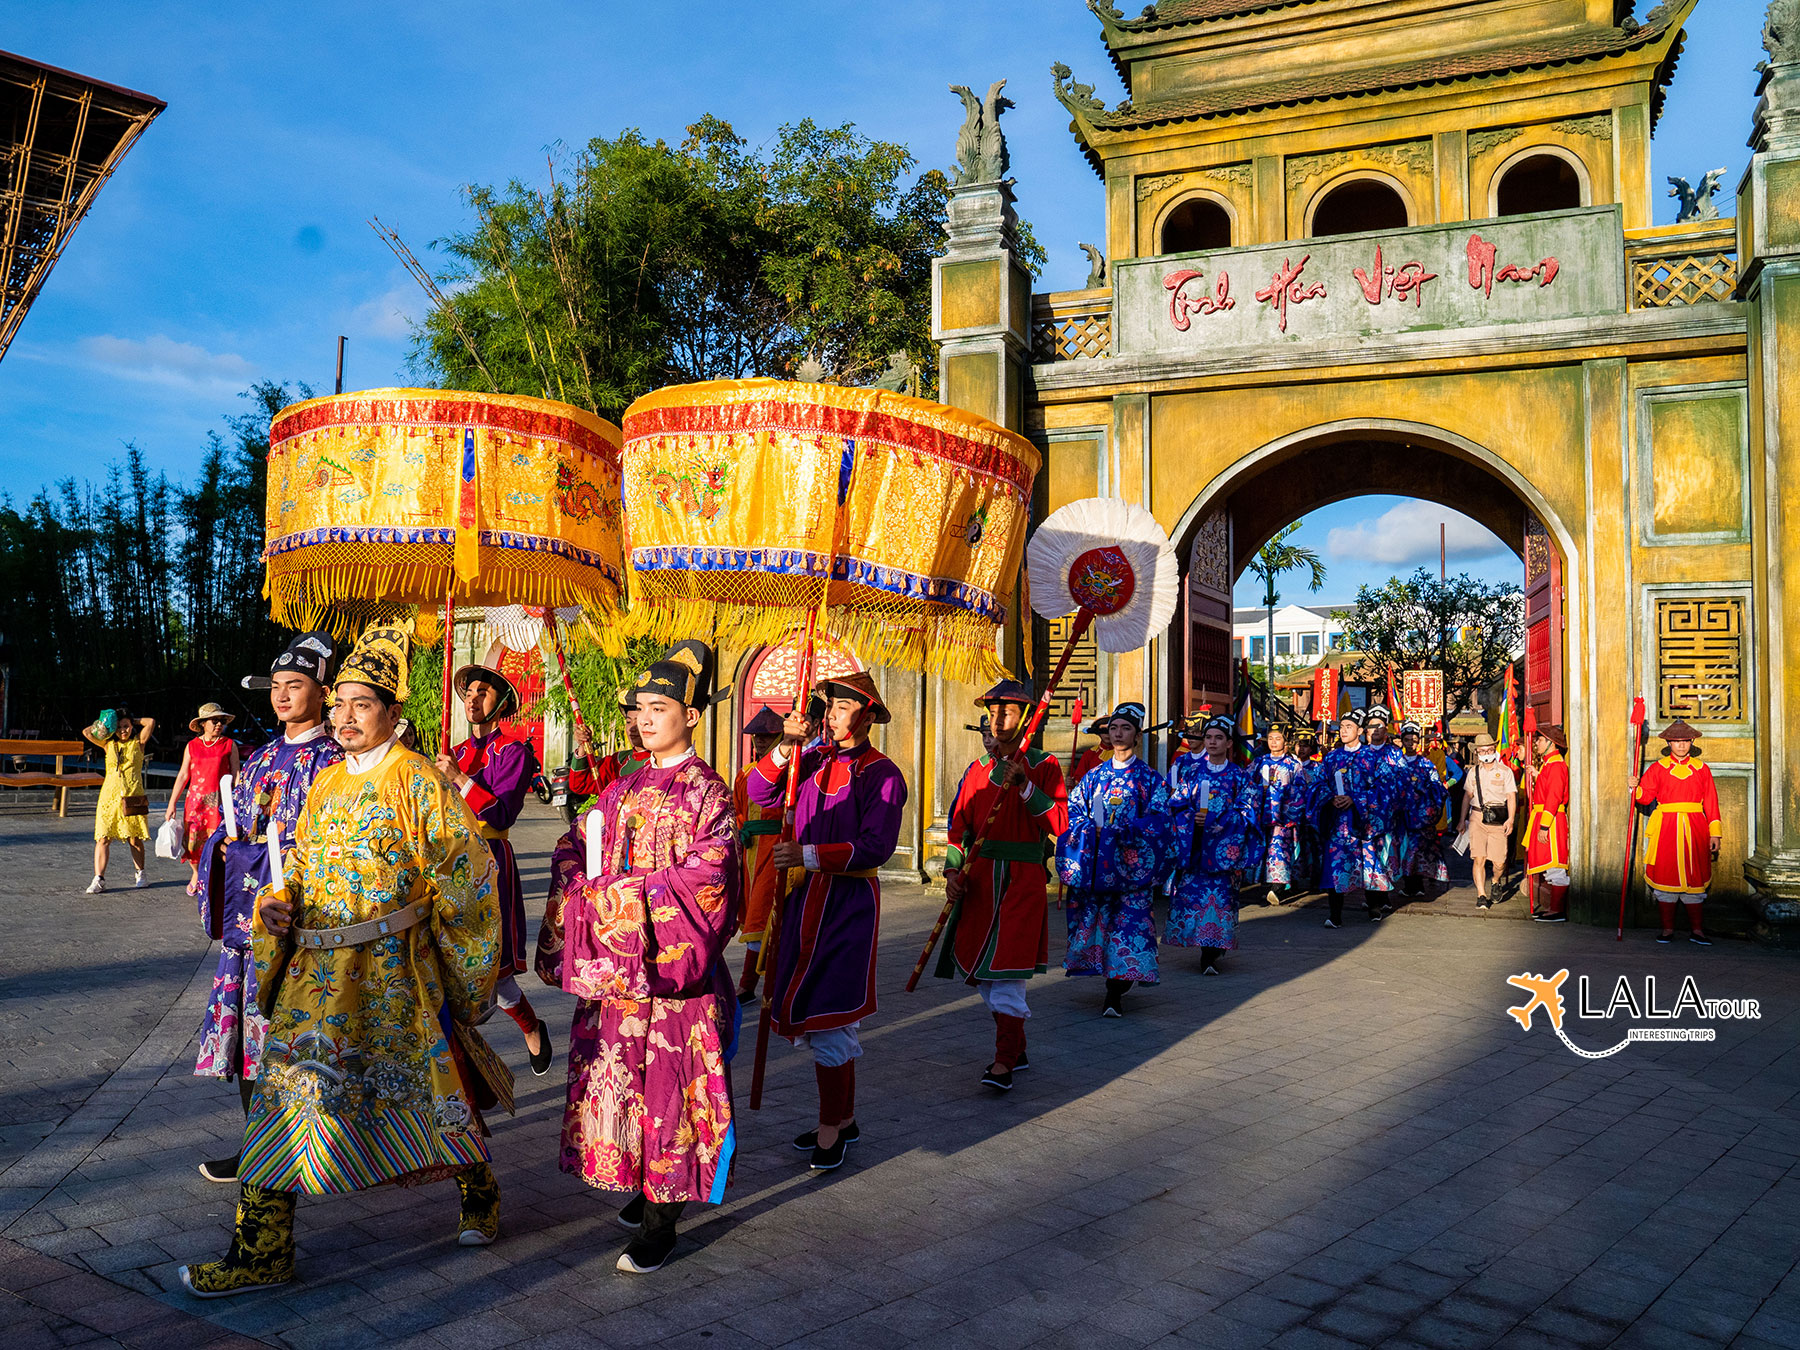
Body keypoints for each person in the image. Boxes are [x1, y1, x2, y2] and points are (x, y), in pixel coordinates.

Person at [177, 623, 502, 1299]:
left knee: (434, 1092)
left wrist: (462, 974)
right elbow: (293, 867)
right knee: (281, 1101)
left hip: (389, 975)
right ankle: (263, 1248)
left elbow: (466, 881)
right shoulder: (323, 783)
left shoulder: (417, 782)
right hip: (311, 976)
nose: (346, 717)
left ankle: (478, 1187)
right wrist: (275, 905)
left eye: (362, 704)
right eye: (341, 704)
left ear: (394, 714)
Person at [534, 640, 740, 1274]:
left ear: (692, 715)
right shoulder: (618, 787)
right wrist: (582, 881)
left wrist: (623, 895)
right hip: (617, 977)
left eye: (660, 707)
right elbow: (574, 850)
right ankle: (639, 1184)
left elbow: (710, 881)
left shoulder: (709, 792)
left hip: (673, 977)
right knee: (619, 1080)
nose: (645, 718)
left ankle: (663, 1218)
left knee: (671, 1092)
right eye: (638, 709)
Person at [192, 633, 343, 1183]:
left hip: (302, 920)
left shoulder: (333, 763)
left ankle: (315, 1146)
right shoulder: (257, 759)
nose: (282, 696)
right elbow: (229, 836)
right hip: (250, 924)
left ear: (323, 692)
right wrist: (225, 849)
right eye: (276, 687)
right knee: (251, 1037)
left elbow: (332, 845)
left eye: (294, 685)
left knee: (298, 1033)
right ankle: (258, 1149)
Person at [749, 672, 906, 1172]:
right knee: (814, 1010)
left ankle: (829, 1127)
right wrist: (783, 748)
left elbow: (876, 847)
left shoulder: (883, 774)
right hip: (800, 902)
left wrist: (809, 853)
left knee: (832, 1015)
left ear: (866, 714)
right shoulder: (808, 759)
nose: (832, 714)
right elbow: (757, 790)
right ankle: (844, 1117)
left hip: (847, 904)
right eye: (829, 706)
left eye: (841, 706)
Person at [938, 679, 1069, 1091]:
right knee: (982, 974)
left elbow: (1060, 823)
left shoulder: (1045, 765)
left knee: (1008, 973)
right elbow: (958, 829)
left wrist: (1026, 786)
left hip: (1022, 881)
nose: (997, 721)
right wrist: (953, 874)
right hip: (979, 883)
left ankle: (1003, 1062)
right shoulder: (976, 771)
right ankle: (1016, 1046)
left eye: (1007, 712)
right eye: (992, 713)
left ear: (1026, 718)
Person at [440, 643, 552, 1075]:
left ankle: (530, 1027)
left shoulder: (515, 754)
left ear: (502, 701)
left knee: (495, 972)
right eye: (467, 691)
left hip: (490, 859)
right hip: (448, 864)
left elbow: (503, 811)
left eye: (483, 691)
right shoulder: (455, 752)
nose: (472, 698)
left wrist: (460, 780)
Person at [1056, 702, 1174, 1017]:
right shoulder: (1093, 776)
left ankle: (1116, 991)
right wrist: (1088, 829)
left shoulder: (1150, 779)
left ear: (1136, 735)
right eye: (1114, 728)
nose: (1118, 733)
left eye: (1125, 728)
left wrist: (1127, 830)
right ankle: (1109, 983)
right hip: (1099, 870)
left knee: (1130, 928)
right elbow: (1075, 812)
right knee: (1101, 926)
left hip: (1133, 871)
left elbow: (1162, 821)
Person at [1167, 715, 1258, 975]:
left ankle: (1211, 953)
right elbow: (1175, 804)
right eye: (1208, 737)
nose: (1212, 742)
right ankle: (1205, 947)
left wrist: (1218, 821)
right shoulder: (1192, 773)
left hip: (1222, 856)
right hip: (1195, 852)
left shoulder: (1239, 776)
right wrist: (1190, 818)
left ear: (1229, 743)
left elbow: (1249, 811)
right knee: (1194, 900)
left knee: (1220, 901)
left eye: (1219, 737)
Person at [1632, 720, 1722, 946]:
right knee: (1666, 876)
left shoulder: (1702, 769)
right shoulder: (1657, 768)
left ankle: (1697, 931)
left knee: (1695, 878)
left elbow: (1711, 802)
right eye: (1676, 741)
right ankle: (1667, 929)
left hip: (1695, 828)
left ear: (1691, 742)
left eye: (1685, 741)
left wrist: (1715, 833)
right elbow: (1645, 798)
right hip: (1666, 829)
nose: (1681, 745)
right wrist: (1635, 787)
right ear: (1669, 742)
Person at [732, 706, 787, 1003]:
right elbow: (739, 812)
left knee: (765, 916)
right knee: (753, 912)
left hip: (777, 848)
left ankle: (750, 983)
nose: (760, 742)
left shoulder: (790, 773)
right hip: (751, 850)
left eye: (767, 736)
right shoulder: (745, 774)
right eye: (756, 737)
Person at [1311, 710, 1386, 928]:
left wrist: (1356, 799)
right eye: (1341, 726)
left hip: (1364, 823)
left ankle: (1374, 906)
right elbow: (1317, 784)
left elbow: (1385, 789)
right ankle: (1335, 914)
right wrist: (1330, 797)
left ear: (1361, 731)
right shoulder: (1331, 757)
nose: (1343, 731)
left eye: (1349, 727)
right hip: (1338, 824)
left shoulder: (1372, 757)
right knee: (1336, 866)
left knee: (1368, 863)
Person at [167, 703, 241, 896]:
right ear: (203, 724)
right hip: (196, 802)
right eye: (214, 721)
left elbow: (236, 774)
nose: (218, 725)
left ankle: (216, 878)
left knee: (218, 841)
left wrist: (239, 800)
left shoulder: (229, 745)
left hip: (219, 802)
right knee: (192, 842)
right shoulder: (192, 746)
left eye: (221, 721)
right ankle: (197, 874)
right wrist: (172, 803)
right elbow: (183, 774)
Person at [83, 705, 155, 893]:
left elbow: (150, 722)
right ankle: (99, 878)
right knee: (103, 837)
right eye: (120, 727)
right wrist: (108, 724)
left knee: (134, 838)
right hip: (109, 796)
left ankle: (141, 873)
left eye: (127, 726)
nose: (123, 730)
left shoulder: (138, 743)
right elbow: (87, 732)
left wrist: (132, 718)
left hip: (132, 795)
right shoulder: (108, 744)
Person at [1247, 723, 1307, 905]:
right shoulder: (1259, 762)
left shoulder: (1293, 764)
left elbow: (1301, 790)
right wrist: (1259, 793)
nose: (1273, 742)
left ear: (1286, 742)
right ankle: (1263, 885)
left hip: (1282, 817)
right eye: (1271, 738)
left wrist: (1282, 798)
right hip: (1260, 815)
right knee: (1262, 849)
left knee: (1279, 851)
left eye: (1278, 738)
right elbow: (1247, 784)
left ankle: (1277, 887)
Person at [1459, 732, 1518, 910]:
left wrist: (1511, 819)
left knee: (1500, 861)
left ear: (1494, 750)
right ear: (1477, 752)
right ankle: (1481, 895)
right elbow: (1467, 797)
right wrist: (1462, 820)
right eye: (1483, 751)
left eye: (1490, 750)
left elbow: (1511, 797)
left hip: (1498, 819)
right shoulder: (1472, 773)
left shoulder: (1505, 772)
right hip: (1477, 817)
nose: (1487, 753)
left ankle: (1495, 880)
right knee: (1479, 858)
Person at [1395, 721, 1450, 901]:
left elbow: (1438, 787)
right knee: (1402, 850)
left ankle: (1418, 885)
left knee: (1419, 850)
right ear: (1402, 741)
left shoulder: (1426, 764)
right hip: (1401, 817)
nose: (1411, 743)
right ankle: (1408, 884)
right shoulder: (1395, 763)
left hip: (1421, 817)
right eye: (1407, 740)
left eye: (1414, 740)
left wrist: (1425, 795)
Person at [1359, 706, 1407, 908]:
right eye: (1372, 726)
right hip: (1363, 818)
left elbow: (1403, 781)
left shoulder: (1395, 754)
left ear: (1386, 730)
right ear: (1365, 730)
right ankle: (1372, 898)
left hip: (1387, 817)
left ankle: (1383, 896)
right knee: (1367, 856)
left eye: (1380, 726)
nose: (1376, 730)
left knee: (1386, 855)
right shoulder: (1359, 753)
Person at [566, 690, 651, 800]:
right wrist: (583, 745)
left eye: (638, 721)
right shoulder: (618, 761)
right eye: (628, 722)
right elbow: (579, 784)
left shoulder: (663, 761)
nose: (632, 728)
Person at [1525, 725, 1572, 922]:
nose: (1537, 743)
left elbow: (1553, 797)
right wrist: (1538, 775)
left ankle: (1557, 910)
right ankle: (1554, 909)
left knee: (1555, 865)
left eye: (1541, 740)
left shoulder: (1556, 766)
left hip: (1551, 821)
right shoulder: (1549, 765)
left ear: (1551, 744)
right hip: (1545, 818)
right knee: (1548, 864)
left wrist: (1544, 825)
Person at [1067, 715, 1109, 789]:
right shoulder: (1090, 754)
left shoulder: (1125, 752)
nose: (1107, 734)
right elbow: (1080, 779)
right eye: (1103, 730)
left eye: (1111, 729)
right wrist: (1073, 782)